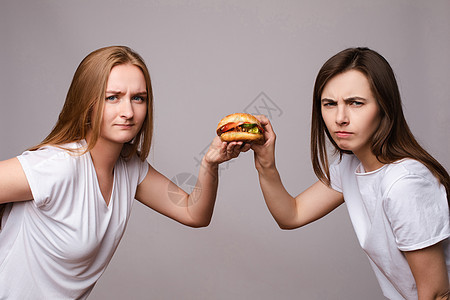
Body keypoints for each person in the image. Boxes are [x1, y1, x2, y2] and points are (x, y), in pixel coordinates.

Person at [0, 45, 250, 299]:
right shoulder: (58, 165)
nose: (128, 112)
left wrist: (209, 163)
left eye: (138, 98)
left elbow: (194, 213)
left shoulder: (130, 169)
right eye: (113, 97)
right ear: (88, 103)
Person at [252, 47, 449, 299]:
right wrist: (265, 163)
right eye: (329, 104)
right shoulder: (351, 166)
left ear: (384, 107)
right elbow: (291, 215)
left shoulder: (405, 183)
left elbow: (437, 294)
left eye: (356, 103)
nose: (340, 117)